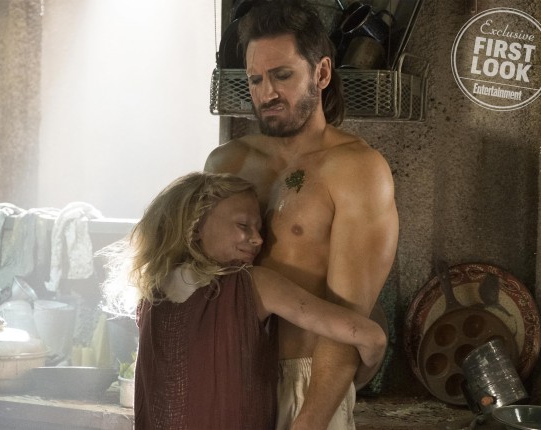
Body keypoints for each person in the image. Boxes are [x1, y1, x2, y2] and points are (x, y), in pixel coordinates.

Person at [204, 1, 399, 429]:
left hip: (306, 381)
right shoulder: (226, 164)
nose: (267, 93)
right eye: (256, 79)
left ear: (322, 73)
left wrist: (309, 420)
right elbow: (201, 284)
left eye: (282, 75)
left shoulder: (357, 170)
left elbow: (348, 319)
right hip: (228, 376)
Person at [103, 172, 386, 430]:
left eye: (259, 228)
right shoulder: (254, 284)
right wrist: (355, 382)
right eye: (243, 225)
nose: (259, 240)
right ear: (195, 226)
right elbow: (372, 337)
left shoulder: (149, 295)